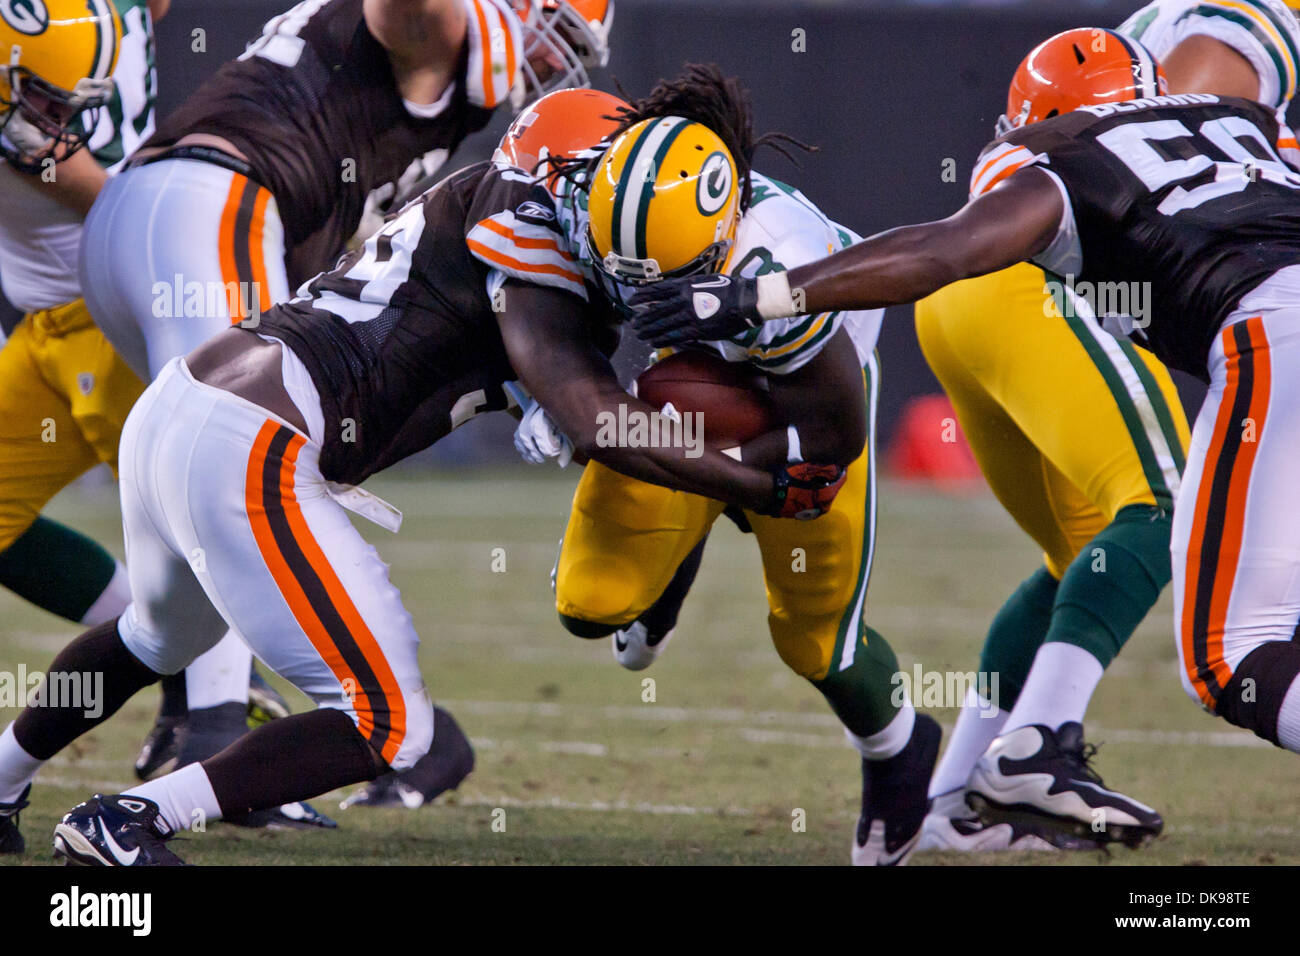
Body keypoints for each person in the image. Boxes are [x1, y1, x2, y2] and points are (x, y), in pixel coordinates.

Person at [628, 27, 1300, 846]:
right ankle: (1015, 759)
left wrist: (760, 297)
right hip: (1224, 312)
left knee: (1220, 637)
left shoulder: (1063, 154)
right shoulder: (1248, 121)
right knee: (1146, 524)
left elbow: (948, 248)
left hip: (1219, 321)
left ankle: (1019, 755)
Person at [76, 0, 613, 796]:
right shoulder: (436, 32)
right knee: (235, 474)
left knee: (223, 523)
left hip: (160, 218)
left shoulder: (453, 94)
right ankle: (215, 732)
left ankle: (115, 741)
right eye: (557, 39)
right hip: (214, 203)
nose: (552, 67)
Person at [907, 0, 1300, 854]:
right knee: (1159, 503)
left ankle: (950, 804)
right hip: (1032, 276)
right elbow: (1162, 159)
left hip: (962, 291)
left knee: (1077, 554)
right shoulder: (1241, 33)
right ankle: (1038, 748)